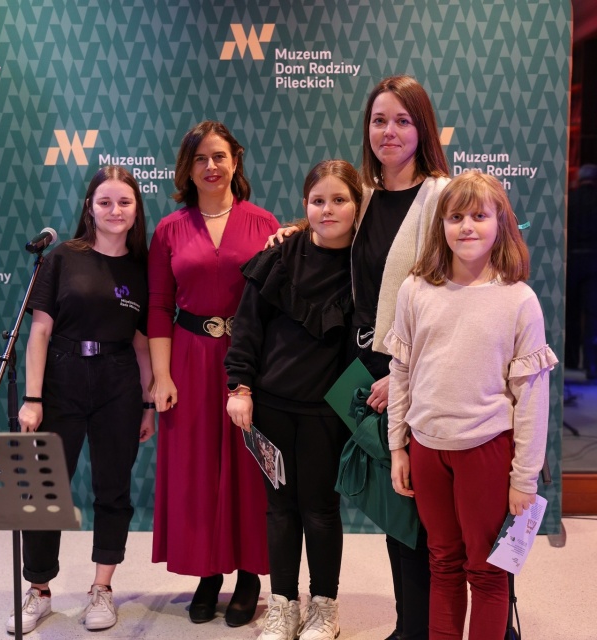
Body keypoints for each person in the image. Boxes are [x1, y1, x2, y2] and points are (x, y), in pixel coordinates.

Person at [271, 75, 450, 640]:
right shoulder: (366, 198)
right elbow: (332, 226)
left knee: (430, 513)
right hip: (365, 374)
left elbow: (454, 297)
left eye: (402, 120)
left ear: (423, 128)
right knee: (396, 507)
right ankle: (409, 624)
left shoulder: (443, 198)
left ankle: (439, 626)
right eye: (378, 120)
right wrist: (295, 229)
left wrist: (405, 377)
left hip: (417, 376)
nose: (389, 131)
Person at [384, 172, 558, 639]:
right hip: (426, 448)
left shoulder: (519, 300)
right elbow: (401, 373)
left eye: (479, 216)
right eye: (455, 216)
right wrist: (398, 446)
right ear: (440, 224)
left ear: (501, 223)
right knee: (442, 562)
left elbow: (532, 399)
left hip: (486, 449)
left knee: (486, 569)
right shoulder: (415, 290)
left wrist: (523, 478)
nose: (466, 226)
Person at [7, 166, 156, 634]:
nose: (115, 210)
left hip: (118, 382)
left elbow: (142, 344)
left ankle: (102, 589)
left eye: (124, 202)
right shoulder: (62, 258)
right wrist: (33, 398)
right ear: (90, 207)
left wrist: (147, 403)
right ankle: (39, 591)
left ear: (136, 210)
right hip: (62, 378)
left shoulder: (144, 267)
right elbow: (40, 332)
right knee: (44, 489)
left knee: (113, 489)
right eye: (105, 201)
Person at [148, 120, 279, 627]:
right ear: (187, 168)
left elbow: (275, 303)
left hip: (249, 359)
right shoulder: (169, 229)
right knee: (197, 471)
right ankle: (207, 574)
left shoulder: (263, 223)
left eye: (219, 156)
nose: (211, 166)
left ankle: (248, 576)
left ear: (235, 161)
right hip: (189, 358)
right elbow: (159, 307)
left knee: (248, 469)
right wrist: (162, 377)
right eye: (200, 158)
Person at [226, 160, 360, 640]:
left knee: (320, 509)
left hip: (328, 412)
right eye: (318, 200)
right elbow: (247, 327)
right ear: (306, 205)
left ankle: (325, 607)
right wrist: (239, 388)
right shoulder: (280, 255)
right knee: (280, 509)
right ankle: (282, 605)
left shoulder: (365, 266)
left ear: (357, 206)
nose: (328, 209)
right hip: (272, 406)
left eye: (339, 200)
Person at [565, 163, 597, 379]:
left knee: (571, 313)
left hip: (571, 261)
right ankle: (591, 365)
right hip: (594, 263)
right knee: (593, 316)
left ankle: (570, 361)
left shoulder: (570, 200)